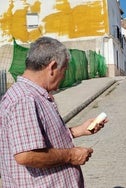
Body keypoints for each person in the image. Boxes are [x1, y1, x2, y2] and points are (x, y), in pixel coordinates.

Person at [0, 36, 107, 187]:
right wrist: (71, 155)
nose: (63, 77)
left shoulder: (34, 95)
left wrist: (79, 131)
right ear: (52, 67)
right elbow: (26, 155)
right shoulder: (25, 99)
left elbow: (40, 138)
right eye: (64, 70)